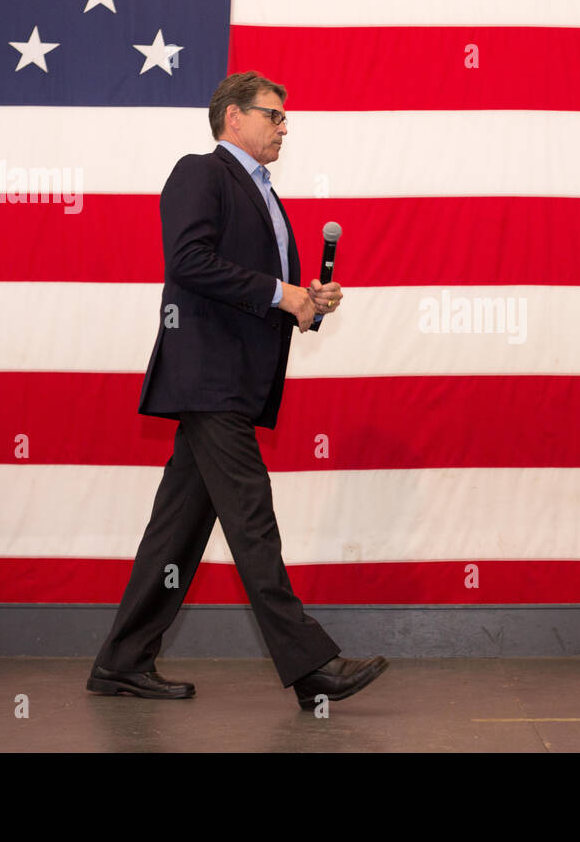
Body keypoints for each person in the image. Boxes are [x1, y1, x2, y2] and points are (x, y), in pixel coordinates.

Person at [87, 71, 387, 710]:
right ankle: (311, 668)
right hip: (208, 380)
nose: (284, 127)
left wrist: (305, 302)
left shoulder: (267, 197)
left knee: (178, 529)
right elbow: (187, 261)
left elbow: (248, 285)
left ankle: (122, 661)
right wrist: (284, 293)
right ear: (233, 118)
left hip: (231, 384)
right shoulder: (201, 172)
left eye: (285, 118)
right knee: (252, 519)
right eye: (274, 116)